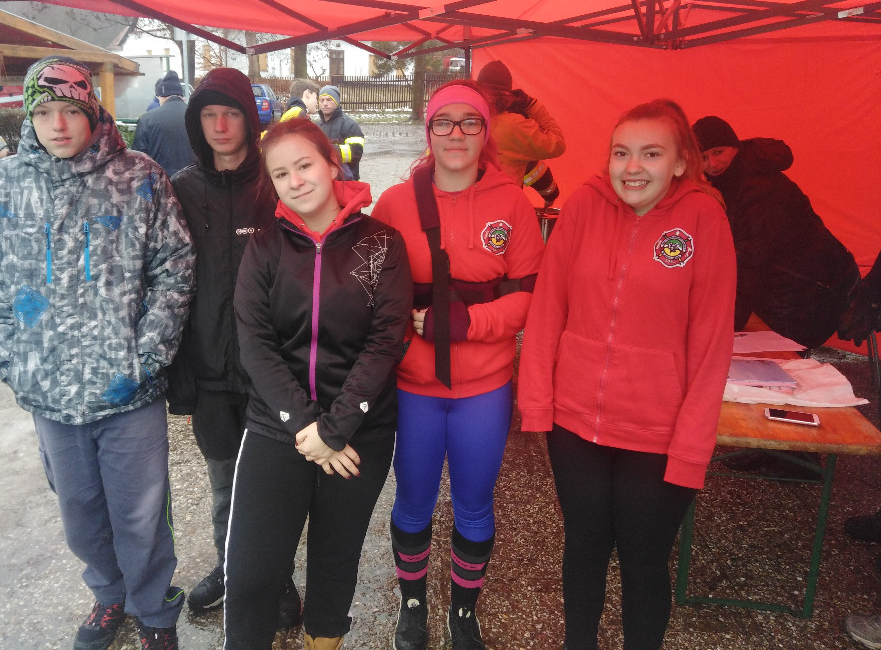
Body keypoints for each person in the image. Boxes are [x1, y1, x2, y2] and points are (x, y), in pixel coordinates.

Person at [0, 56, 196, 650]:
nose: (59, 124)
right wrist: (8, 356)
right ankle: (109, 593)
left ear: (92, 110)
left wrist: (147, 355)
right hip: (48, 389)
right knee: (79, 513)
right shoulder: (3, 183)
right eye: (44, 112)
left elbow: (174, 266)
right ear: (29, 117)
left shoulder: (140, 176)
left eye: (71, 109)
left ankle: (153, 610)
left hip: (128, 389)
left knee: (141, 514)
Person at [518, 99, 736, 650]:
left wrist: (692, 445)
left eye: (651, 154)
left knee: (643, 561)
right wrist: (537, 405)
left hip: (658, 434)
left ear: (681, 162)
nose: (632, 167)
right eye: (621, 153)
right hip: (576, 425)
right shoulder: (584, 206)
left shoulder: (704, 218)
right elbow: (547, 309)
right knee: (583, 548)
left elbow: (712, 342)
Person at [224, 117, 412, 650]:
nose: (295, 181)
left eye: (305, 165)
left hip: (359, 433)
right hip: (277, 427)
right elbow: (255, 343)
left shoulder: (382, 244)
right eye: (281, 174)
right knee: (253, 571)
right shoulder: (264, 247)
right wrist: (306, 425)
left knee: (334, 561)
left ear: (332, 164)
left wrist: (336, 428)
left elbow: (386, 342)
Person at [371, 80, 544, 650]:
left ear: (486, 132)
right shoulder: (395, 204)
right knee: (413, 499)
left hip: (484, 389)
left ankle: (463, 611)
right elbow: (371, 294)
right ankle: (413, 604)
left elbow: (529, 295)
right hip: (414, 387)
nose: (456, 134)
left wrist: (471, 323)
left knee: (473, 503)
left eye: (470, 122)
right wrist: (402, 341)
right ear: (428, 131)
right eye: (443, 122)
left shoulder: (514, 204)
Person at [165, 67, 300, 629]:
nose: (220, 126)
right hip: (210, 374)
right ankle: (231, 569)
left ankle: (277, 576)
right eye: (208, 115)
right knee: (224, 484)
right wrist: (179, 370)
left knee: (274, 484)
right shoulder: (180, 190)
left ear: (250, 119)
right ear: (196, 122)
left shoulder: (275, 184)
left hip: (271, 372)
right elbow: (167, 283)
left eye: (231, 113)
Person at [692, 115, 860, 350]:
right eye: (703, 158)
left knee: (748, 341)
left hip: (820, 292)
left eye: (718, 152)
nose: (713, 163)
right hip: (801, 283)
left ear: (735, 146)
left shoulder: (758, 187)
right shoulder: (731, 183)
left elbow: (750, 260)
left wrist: (728, 324)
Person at [475, 60, 566, 205]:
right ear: (508, 97)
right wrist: (531, 105)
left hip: (466, 208)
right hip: (503, 211)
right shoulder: (515, 126)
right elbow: (558, 144)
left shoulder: (465, 120)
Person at [132, 70, 194, 177]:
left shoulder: (147, 119)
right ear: (181, 95)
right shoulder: (196, 116)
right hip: (193, 180)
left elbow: (138, 158)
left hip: (160, 181)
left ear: (162, 95)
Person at [316, 85, 365, 180]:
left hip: (347, 181)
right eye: (322, 100)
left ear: (337, 102)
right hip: (325, 181)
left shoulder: (349, 125)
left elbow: (356, 152)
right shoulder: (317, 126)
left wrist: (328, 151)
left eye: (329, 100)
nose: (325, 104)